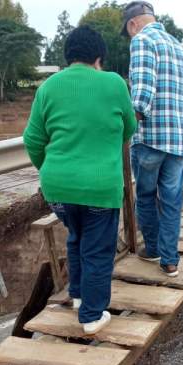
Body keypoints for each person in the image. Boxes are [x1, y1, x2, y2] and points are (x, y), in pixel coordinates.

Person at [23, 26, 137, 335]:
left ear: (68, 56)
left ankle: (77, 295)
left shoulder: (48, 87)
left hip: (58, 189)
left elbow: (32, 140)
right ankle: (91, 316)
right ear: (99, 57)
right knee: (98, 250)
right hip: (100, 188)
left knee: (76, 236)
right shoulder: (114, 84)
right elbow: (129, 128)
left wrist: (49, 170)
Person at [122, 1, 183, 278]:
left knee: (146, 197)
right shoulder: (177, 44)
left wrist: (125, 127)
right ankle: (171, 261)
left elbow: (142, 94)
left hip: (150, 137)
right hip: (178, 138)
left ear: (132, 24)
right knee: (172, 200)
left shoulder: (141, 41)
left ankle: (153, 249)